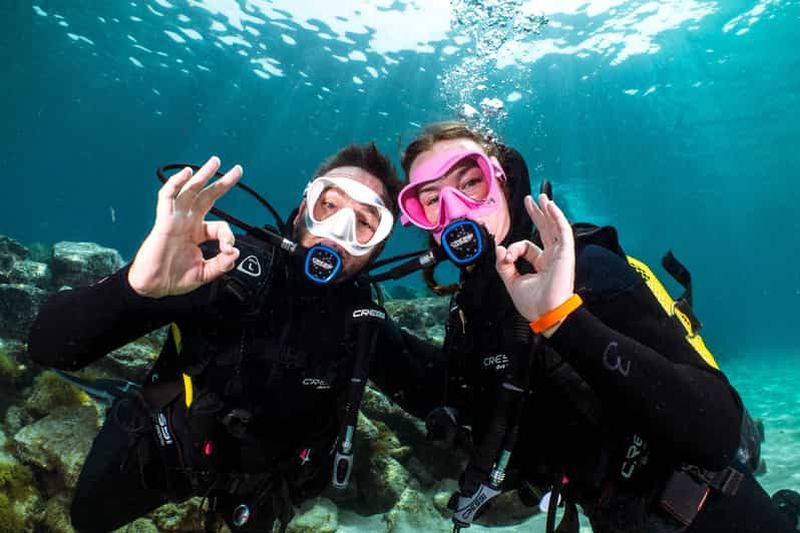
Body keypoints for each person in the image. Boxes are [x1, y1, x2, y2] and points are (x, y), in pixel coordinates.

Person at [396, 121, 797, 532]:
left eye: (471, 181)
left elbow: (716, 433)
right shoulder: (469, 314)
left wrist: (564, 320)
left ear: (504, 182)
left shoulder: (584, 266)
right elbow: (453, 397)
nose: (455, 209)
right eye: (430, 199)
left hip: (716, 514)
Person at [27, 144, 422, 532]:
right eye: (329, 206)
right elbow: (47, 345)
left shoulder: (364, 323)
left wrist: (482, 288)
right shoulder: (222, 267)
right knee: (87, 518)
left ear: (378, 247)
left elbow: (441, 391)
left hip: (263, 484)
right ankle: (127, 394)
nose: (339, 233)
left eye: (365, 223)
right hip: (169, 450)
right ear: (303, 209)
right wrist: (134, 289)